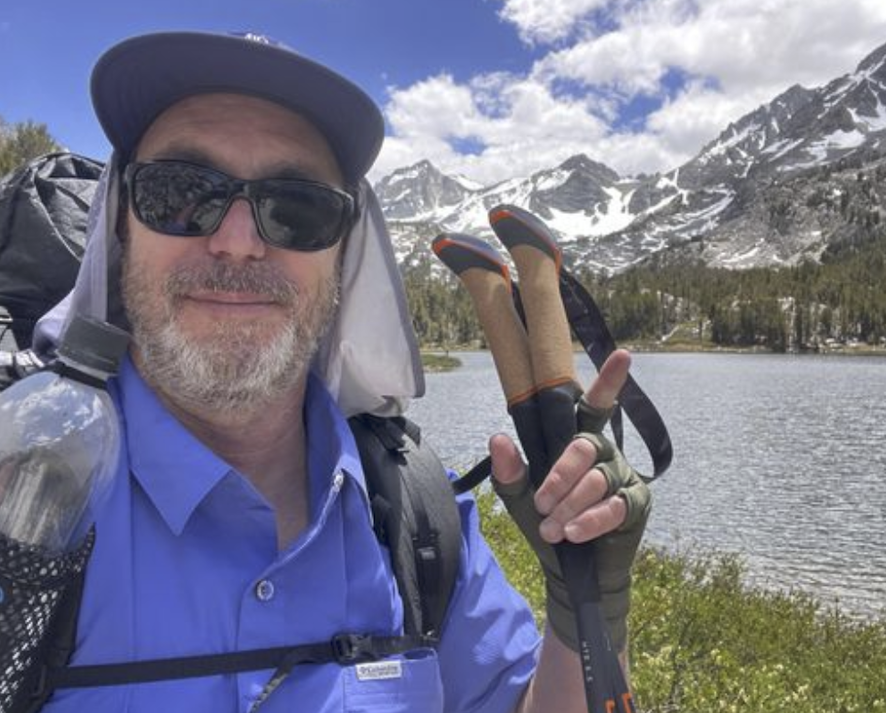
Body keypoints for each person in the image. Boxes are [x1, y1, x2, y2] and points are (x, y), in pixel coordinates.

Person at [32, 30, 651, 713]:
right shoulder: (26, 496)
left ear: (344, 257)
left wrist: (585, 613)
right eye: (179, 192)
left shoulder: (416, 515)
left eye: (295, 208)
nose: (237, 242)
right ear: (119, 225)